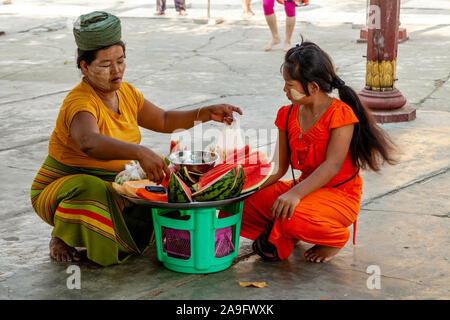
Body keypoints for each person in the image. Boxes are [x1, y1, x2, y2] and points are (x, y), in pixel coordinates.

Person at [30, 11, 242, 266]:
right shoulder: (80, 102)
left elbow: (163, 119)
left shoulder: (127, 92)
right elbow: (89, 142)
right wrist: (139, 152)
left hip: (116, 183)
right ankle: (62, 235)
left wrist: (206, 113)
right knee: (92, 188)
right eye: (106, 65)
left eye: (121, 61)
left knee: (167, 169)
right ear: (84, 67)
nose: (116, 71)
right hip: (62, 189)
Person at [240, 39, 397, 263]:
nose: (285, 89)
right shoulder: (286, 114)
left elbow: (331, 166)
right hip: (305, 189)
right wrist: (246, 188)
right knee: (244, 205)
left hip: (339, 196)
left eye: (290, 85)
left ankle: (335, 238)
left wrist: (294, 194)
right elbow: (278, 167)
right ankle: (286, 235)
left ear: (313, 87)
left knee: (291, 214)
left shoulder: (340, 115)